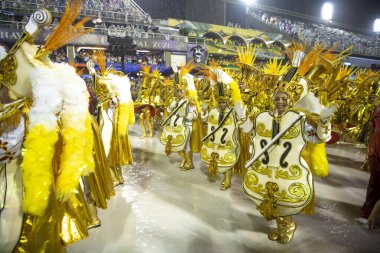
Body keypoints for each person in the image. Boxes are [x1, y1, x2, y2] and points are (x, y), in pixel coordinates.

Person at [242, 77, 333, 243]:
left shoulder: (299, 119)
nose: (280, 102)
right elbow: (252, 132)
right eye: (277, 98)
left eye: (284, 98)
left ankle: (289, 226)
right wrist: (242, 117)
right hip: (267, 166)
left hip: (288, 167)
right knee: (271, 198)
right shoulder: (264, 116)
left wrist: (324, 122)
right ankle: (279, 226)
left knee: (285, 197)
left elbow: (318, 138)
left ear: (290, 100)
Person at [161, 63, 199, 171]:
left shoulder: (189, 101)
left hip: (186, 126)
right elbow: (169, 111)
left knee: (185, 146)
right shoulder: (175, 100)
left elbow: (195, 114)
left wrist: (187, 115)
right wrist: (170, 106)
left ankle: (189, 163)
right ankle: (185, 160)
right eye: (177, 91)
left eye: (181, 91)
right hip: (175, 126)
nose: (179, 93)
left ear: (185, 91)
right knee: (177, 145)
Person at [361, 102, 380, 222]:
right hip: (376, 149)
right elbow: (373, 128)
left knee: (375, 182)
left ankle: (370, 211)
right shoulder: (378, 107)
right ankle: (369, 211)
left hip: (375, 148)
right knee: (375, 181)